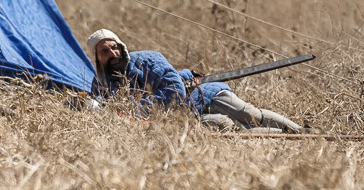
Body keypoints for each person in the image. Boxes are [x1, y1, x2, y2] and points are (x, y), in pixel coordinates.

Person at [85, 29, 305, 133]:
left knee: (251, 115)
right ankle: (283, 135)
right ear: (97, 57)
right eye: (104, 51)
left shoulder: (149, 60)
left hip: (205, 95)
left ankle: (300, 131)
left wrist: (135, 109)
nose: (112, 53)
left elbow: (174, 91)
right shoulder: (100, 82)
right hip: (189, 117)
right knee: (230, 129)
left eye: (114, 47)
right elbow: (101, 109)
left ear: (122, 47)